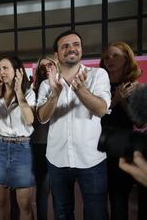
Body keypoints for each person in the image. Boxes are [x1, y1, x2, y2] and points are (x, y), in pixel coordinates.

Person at [37, 30, 111, 220]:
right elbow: (42, 117)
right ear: (56, 54)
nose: (72, 48)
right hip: (57, 159)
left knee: (96, 214)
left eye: (76, 44)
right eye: (65, 46)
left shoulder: (97, 75)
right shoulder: (47, 84)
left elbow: (101, 109)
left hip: (91, 159)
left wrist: (80, 90)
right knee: (62, 213)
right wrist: (54, 93)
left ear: (81, 49)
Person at [0, 55, 35, 220]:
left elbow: (30, 119)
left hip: (22, 148)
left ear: (17, 71)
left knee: (24, 203)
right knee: (1, 201)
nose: (1, 72)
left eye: (5, 68)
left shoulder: (28, 93)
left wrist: (19, 93)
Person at [100, 41, 146, 220]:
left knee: (119, 200)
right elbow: (93, 118)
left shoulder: (136, 87)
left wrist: (124, 101)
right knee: (99, 201)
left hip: (122, 147)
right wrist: (114, 100)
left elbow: (140, 122)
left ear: (127, 58)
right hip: (97, 148)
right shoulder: (98, 86)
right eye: (106, 57)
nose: (110, 60)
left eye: (115, 56)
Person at [31, 55, 59, 220]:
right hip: (40, 143)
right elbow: (35, 120)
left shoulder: (64, 84)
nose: (45, 68)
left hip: (59, 143)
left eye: (49, 64)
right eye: (42, 67)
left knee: (59, 190)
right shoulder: (36, 90)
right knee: (43, 189)